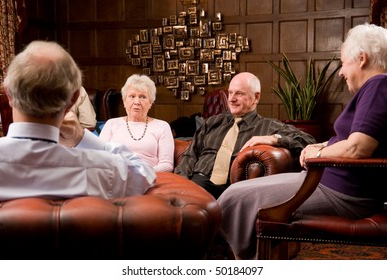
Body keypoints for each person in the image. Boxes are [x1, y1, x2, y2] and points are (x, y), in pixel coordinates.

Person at [218, 23, 387, 260]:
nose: (341, 72)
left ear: (361, 58)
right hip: (321, 181)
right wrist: (323, 146)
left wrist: (316, 155)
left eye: (343, 63)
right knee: (235, 192)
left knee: (234, 198)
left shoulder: (378, 85)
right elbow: (351, 140)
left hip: (340, 193)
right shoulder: (375, 89)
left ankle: (244, 262)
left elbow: (358, 147)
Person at [0, 40, 156, 202]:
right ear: (73, 99)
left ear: (8, 94)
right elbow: (145, 173)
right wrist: (82, 137)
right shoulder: (105, 170)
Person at [174, 72, 316, 199]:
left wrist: (274, 138)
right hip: (197, 181)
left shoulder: (267, 126)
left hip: (231, 188)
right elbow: (190, 155)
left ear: (256, 97)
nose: (231, 99)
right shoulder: (212, 123)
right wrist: (180, 184)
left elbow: (308, 140)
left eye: (239, 94)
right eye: (230, 93)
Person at [99, 74, 174, 172]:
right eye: (132, 96)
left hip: (148, 178)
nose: (137, 102)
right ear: (125, 101)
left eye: (142, 97)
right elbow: (99, 156)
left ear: (150, 102)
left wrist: (141, 173)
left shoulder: (162, 126)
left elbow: (167, 165)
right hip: (115, 175)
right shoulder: (111, 124)